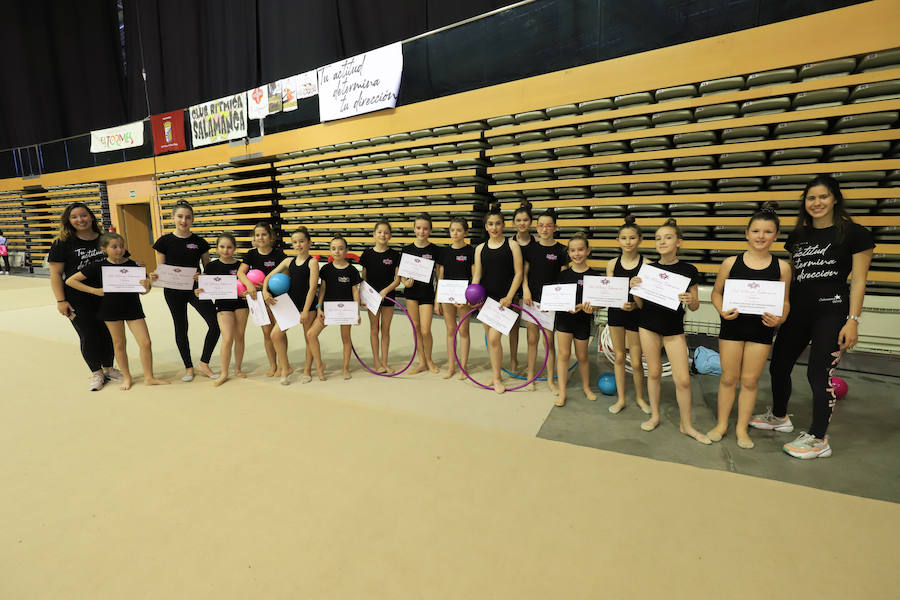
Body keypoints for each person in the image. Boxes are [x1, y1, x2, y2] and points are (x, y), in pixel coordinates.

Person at [752, 175, 874, 459]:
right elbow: (792, 276)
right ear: (804, 203)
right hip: (798, 311)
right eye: (811, 198)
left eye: (823, 197)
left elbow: (858, 280)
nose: (816, 203)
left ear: (834, 199)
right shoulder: (798, 237)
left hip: (831, 312)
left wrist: (853, 319)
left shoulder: (856, 234)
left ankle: (819, 439)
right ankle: (780, 417)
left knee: (818, 374)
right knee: (779, 365)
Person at [708, 204, 791, 449]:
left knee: (750, 380)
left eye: (767, 232)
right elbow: (715, 293)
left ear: (776, 236)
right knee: (728, 378)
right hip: (732, 327)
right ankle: (722, 424)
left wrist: (780, 319)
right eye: (756, 231)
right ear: (747, 233)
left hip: (762, 329)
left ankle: (742, 429)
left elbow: (785, 302)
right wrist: (722, 310)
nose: (761, 236)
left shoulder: (783, 268)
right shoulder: (730, 263)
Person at [631, 218, 710, 444]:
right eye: (658, 238)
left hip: (674, 329)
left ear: (678, 242)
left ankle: (686, 424)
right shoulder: (648, 269)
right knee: (653, 372)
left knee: (683, 379)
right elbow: (640, 304)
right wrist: (634, 288)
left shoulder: (688, 270)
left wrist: (691, 299)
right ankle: (655, 415)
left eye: (668, 237)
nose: (662, 241)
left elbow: (694, 306)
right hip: (648, 326)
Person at [65, 233, 168, 391]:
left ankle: (149, 377)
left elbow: (143, 291)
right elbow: (71, 280)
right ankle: (126, 377)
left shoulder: (134, 265)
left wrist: (146, 286)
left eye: (121, 246)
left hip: (133, 307)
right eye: (114, 247)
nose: (119, 250)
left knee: (146, 342)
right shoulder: (98, 266)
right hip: (110, 308)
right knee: (119, 344)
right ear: (104, 249)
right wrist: (95, 291)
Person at [48, 202, 120, 391]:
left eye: (84, 215)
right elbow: (55, 274)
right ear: (69, 220)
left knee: (108, 334)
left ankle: (108, 368)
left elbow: (122, 261)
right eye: (75, 217)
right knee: (88, 335)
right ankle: (96, 372)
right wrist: (60, 300)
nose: (80, 220)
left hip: (107, 296)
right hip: (77, 299)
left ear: (91, 216)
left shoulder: (105, 238)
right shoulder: (61, 243)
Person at [151, 201, 220, 382]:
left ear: (192, 220)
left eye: (188, 217)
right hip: (173, 291)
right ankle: (188, 367)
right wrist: (156, 276)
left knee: (215, 323)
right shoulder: (164, 242)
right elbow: (161, 268)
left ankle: (203, 363)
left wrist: (203, 276)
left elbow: (208, 269)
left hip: (196, 289)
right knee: (181, 327)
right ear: (173, 218)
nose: (184, 220)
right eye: (180, 216)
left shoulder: (199, 243)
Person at [471, 203, 524, 393]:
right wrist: (473, 295)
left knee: (494, 339)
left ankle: (496, 378)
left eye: (498, 224)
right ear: (486, 227)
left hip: (505, 301)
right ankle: (496, 375)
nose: (494, 228)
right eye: (491, 224)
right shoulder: (479, 249)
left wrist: (510, 297)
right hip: (486, 300)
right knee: (490, 340)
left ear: (503, 225)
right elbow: (477, 275)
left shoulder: (512, 245)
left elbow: (518, 274)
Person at [605, 215, 649, 415]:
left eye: (632, 238)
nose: (628, 242)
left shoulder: (647, 265)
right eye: (624, 238)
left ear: (640, 240)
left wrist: (634, 304)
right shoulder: (612, 264)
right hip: (616, 314)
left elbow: (646, 299)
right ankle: (622, 398)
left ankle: (640, 397)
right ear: (618, 241)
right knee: (620, 356)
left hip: (637, 315)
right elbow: (610, 294)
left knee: (637, 360)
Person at [264, 227, 319, 385]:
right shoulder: (288, 261)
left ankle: (307, 371)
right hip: (291, 303)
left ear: (309, 242)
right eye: (295, 242)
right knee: (275, 334)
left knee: (308, 338)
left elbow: (312, 288)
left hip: (307, 305)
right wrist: (266, 291)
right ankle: (285, 367)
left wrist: (306, 310)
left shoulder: (313, 262)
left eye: (301, 241)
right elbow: (269, 276)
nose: (298, 245)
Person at [521, 208, 566, 393]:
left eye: (548, 225)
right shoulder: (531, 248)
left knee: (548, 341)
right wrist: (525, 290)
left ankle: (550, 379)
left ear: (554, 227)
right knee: (532, 339)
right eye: (541, 225)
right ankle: (531, 375)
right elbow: (524, 273)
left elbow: (563, 278)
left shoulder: (561, 249)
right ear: (537, 227)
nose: (544, 229)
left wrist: (555, 301)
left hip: (550, 302)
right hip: (532, 299)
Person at [195, 234, 249, 387]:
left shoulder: (240, 265)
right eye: (222, 247)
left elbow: (247, 282)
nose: (226, 250)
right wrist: (199, 291)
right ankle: (224, 372)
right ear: (217, 248)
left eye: (229, 247)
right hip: (222, 305)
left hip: (240, 303)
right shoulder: (211, 266)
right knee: (227, 338)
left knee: (239, 336)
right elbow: (204, 286)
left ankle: (238, 368)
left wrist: (246, 292)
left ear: (235, 248)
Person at [306, 236, 361, 381]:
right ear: (330, 250)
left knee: (346, 338)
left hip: (346, 310)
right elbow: (322, 289)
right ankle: (319, 365)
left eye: (341, 248)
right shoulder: (326, 269)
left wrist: (356, 312)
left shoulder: (352, 270)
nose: (337, 251)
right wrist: (319, 308)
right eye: (333, 248)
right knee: (311, 334)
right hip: (328, 309)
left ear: (346, 250)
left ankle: (345, 368)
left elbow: (355, 291)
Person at [553, 233, 597, 407]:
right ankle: (562, 391)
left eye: (580, 249)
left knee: (582, 356)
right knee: (564, 354)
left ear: (587, 251)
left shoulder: (594, 276)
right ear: (568, 253)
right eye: (573, 250)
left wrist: (591, 307)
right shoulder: (563, 275)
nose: (577, 254)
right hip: (564, 320)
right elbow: (557, 297)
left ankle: (586, 387)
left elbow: (599, 303)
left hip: (582, 321)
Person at [238, 222, 287, 376]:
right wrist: (250, 286)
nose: (260, 237)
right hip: (257, 297)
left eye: (264, 234)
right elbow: (241, 273)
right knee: (267, 333)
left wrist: (269, 287)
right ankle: (272, 365)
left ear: (271, 237)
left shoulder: (279, 254)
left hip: (275, 297)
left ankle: (283, 364)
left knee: (279, 333)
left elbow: (285, 275)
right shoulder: (251, 254)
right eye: (257, 235)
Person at [359, 221, 401, 374]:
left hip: (388, 296)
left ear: (390, 236)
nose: (383, 235)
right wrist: (364, 296)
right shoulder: (367, 254)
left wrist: (384, 291)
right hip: (372, 298)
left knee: (385, 329)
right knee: (374, 328)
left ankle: (385, 361)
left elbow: (397, 279)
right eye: (380, 232)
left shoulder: (395, 255)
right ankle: (377, 361)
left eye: (386, 232)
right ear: (374, 234)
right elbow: (363, 279)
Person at [401, 213, 441, 374]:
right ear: (414, 229)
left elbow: (439, 277)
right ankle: (421, 361)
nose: (422, 231)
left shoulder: (435, 250)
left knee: (425, 330)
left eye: (425, 228)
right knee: (416, 328)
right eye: (418, 228)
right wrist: (405, 281)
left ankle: (429, 359)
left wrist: (438, 299)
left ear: (430, 230)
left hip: (427, 295)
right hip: (411, 294)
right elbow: (402, 274)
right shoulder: (407, 249)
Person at [436, 217, 475, 379]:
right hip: (447, 295)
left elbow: (474, 276)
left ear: (465, 232)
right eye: (453, 230)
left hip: (464, 296)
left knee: (464, 330)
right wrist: (437, 300)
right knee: (451, 330)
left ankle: (463, 367)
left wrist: (470, 297)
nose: (455, 233)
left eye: (459, 230)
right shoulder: (444, 252)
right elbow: (441, 277)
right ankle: (452, 366)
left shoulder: (471, 251)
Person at [508, 201, 535, 373]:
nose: (522, 223)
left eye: (525, 220)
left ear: (530, 222)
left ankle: (531, 363)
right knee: (513, 326)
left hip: (531, 289)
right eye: (518, 220)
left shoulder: (537, 243)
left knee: (531, 329)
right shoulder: (509, 243)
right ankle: (513, 360)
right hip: (513, 287)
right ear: (513, 223)